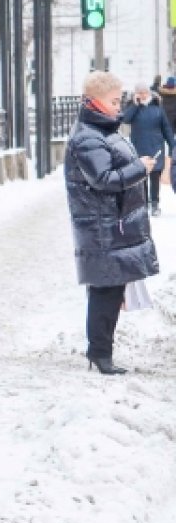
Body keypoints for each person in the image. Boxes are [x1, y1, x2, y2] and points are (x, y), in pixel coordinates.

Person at [64, 71, 160, 375]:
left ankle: (102, 353)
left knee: (112, 289)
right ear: (95, 102)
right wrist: (140, 168)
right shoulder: (88, 137)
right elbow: (103, 180)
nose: (120, 107)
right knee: (106, 291)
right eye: (114, 101)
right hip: (103, 227)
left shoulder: (103, 132)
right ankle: (100, 354)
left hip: (113, 224)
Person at [122, 82, 176, 215]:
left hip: (156, 147)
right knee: (141, 177)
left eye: (144, 93)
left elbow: (166, 128)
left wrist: (172, 145)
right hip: (138, 147)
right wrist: (135, 104)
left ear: (149, 93)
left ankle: (155, 204)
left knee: (155, 176)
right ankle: (144, 204)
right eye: (139, 93)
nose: (142, 95)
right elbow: (126, 119)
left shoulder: (157, 106)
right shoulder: (132, 106)